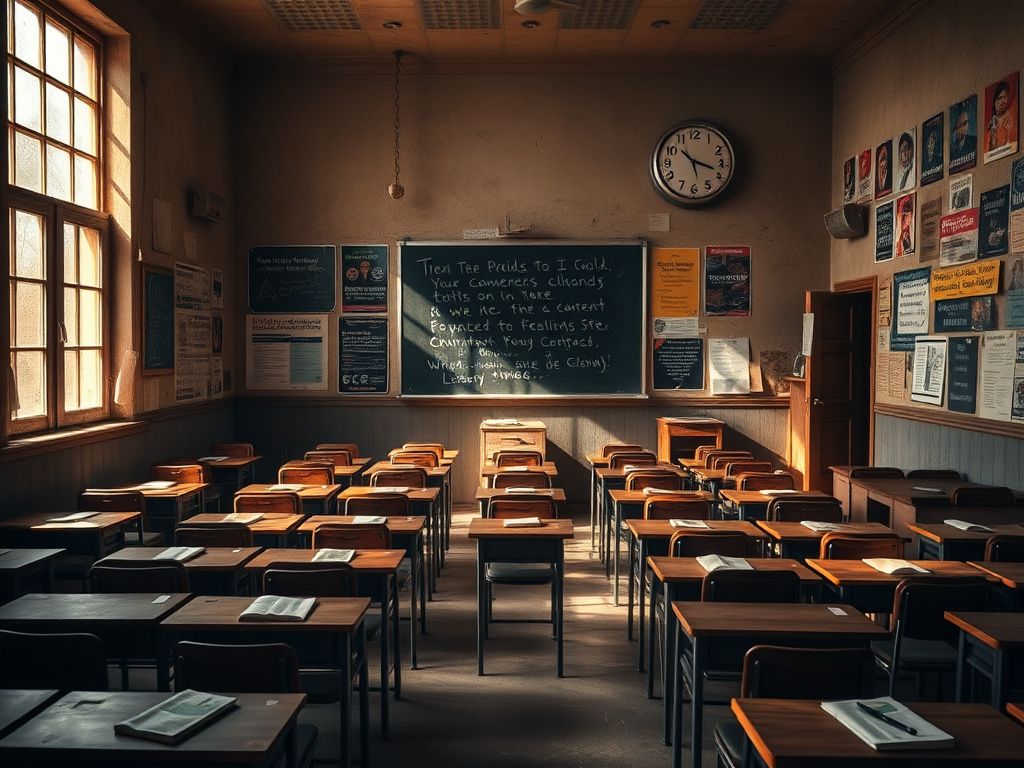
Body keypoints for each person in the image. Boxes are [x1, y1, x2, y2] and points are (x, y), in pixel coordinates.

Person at [987, 80, 1017, 152]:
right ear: (995, 100)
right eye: (1000, 98)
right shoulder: (992, 121)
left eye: (1005, 97)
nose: (1003, 101)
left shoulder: (1008, 118)